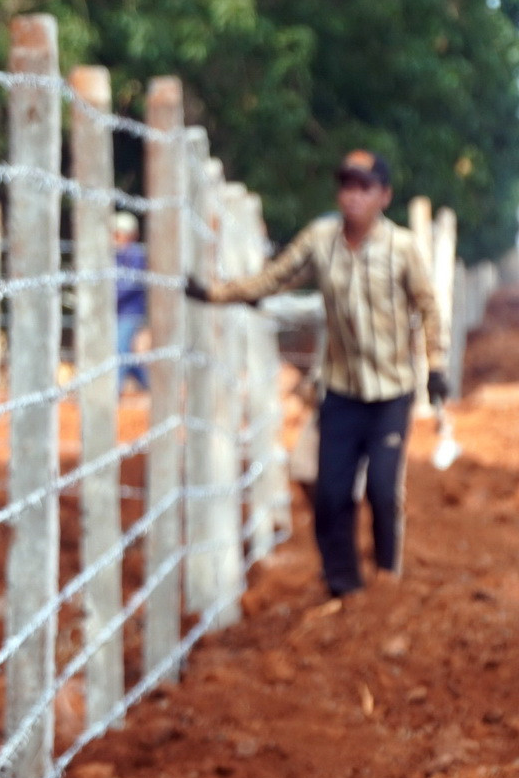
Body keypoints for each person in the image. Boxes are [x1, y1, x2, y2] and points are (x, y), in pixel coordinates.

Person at [186, 149, 447, 598]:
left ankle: (388, 580)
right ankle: (344, 586)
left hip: (391, 394)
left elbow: (428, 306)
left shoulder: (402, 248)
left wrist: (435, 365)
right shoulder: (320, 239)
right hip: (342, 392)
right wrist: (214, 293)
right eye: (347, 186)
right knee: (329, 495)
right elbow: (274, 278)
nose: (353, 197)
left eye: (364, 187)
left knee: (383, 492)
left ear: (383, 195)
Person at [113, 213, 149, 392]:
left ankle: (114, 391)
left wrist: (109, 297)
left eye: (118, 234)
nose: (115, 238)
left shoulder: (136, 255)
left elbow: (131, 283)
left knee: (120, 349)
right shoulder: (116, 255)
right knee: (125, 352)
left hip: (132, 311)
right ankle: (151, 385)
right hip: (118, 311)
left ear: (131, 234)